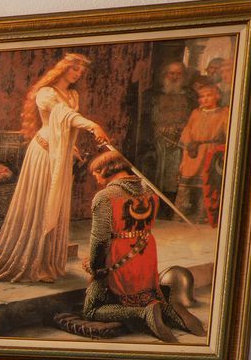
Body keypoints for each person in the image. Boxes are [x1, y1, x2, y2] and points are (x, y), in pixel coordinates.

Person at [0, 53, 111, 283]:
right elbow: (65, 116)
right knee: (40, 204)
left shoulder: (73, 95)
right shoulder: (46, 93)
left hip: (59, 157)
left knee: (53, 206)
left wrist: (71, 149)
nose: (77, 74)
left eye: (80, 72)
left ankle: (45, 261)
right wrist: (93, 126)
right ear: (63, 69)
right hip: (43, 154)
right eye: (74, 69)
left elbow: (66, 127)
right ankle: (29, 259)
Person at [70, 150, 203, 342]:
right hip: (146, 255)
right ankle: (169, 310)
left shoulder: (105, 196)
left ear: (106, 170)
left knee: (91, 310)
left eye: (96, 174)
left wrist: (93, 266)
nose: (96, 179)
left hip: (117, 258)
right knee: (148, 293)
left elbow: (100, 241)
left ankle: (142, 314)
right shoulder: (150, 191)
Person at [177, 80, 230, 226]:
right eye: (202, 96)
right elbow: (187, 133)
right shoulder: (195, 113)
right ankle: (181, 218)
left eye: (209, 96)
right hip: (193, 154)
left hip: (211, 153)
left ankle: (203, 217)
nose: (205, 99)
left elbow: (228, 135)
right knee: (187, 186)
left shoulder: (225, 113)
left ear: (217, 96)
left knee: (206, 184)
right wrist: (183, 160)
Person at [145, 60, 195, 198]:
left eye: (178, 74)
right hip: (158, 140)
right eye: (171, 73)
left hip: (181, 141)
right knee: (158, 174)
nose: (174, 77)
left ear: (183, 76)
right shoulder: (152, 95)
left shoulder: (191, 96)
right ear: (164, 75)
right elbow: (147, 119)